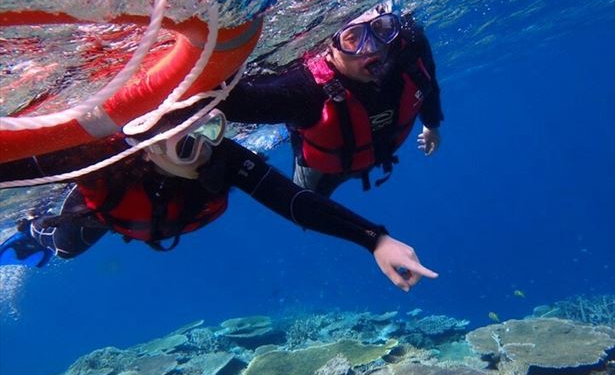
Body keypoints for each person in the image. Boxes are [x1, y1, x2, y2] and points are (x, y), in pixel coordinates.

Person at [0, 112, 438, 292]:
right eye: (187, 145)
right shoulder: (103, 162)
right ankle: (31, 229)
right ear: (148, 148)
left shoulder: (225, 159)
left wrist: (374, 239)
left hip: (158, 222)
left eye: (211, 130)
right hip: (111, 216)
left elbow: (295, 202)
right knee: (66, 246)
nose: (206, 150)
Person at [218, 1, 443, 196]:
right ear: (330, 49)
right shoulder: (305, 92)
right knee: (304, 206)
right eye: (352, 39)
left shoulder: (409, 47)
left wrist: (431, 125)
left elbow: (428, 83)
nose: (372, 47)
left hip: (376, 151)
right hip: (324, 169)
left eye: (380, 29)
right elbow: (231, 102)